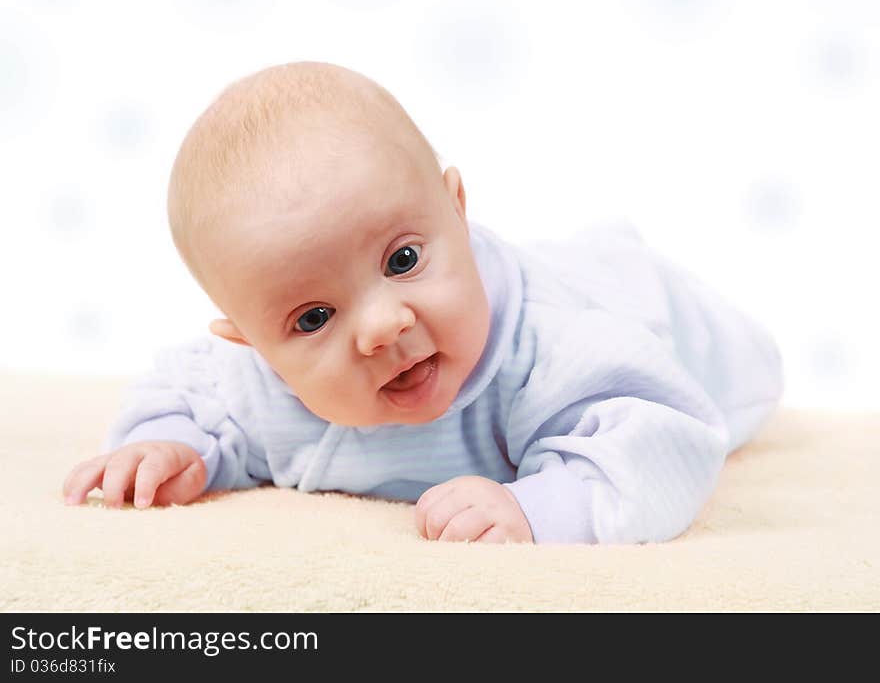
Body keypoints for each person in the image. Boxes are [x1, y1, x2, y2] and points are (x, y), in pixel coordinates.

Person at [62, 61, 784, 545]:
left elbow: (666, 440)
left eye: (403, 261)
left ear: (457, 209)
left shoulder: (556, 349)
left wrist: (537, 510)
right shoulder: (255, 382)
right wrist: (167, 443)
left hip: (666, 321)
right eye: (313, 318)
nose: (382, 326)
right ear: (251, 345)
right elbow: (191, 389)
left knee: (731, 369)